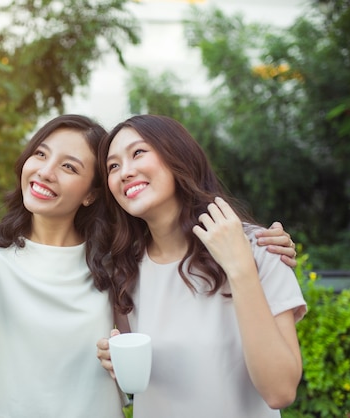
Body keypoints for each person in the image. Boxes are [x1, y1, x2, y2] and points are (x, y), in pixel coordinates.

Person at [0, 105, 297, 417]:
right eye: (39, 154)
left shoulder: (116, 263)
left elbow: (273, 386)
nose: (45, 171)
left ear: (92, 193)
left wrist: (253, 254)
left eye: (70, 166)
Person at [95, 114, 306, 417]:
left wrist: (240, 268)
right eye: (113, 166)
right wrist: (116, 360)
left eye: (138, 152)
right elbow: (141, 382)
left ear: (177, 155)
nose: (124, 172)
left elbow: (280, 391)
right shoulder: (124, 270)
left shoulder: (260, 247)